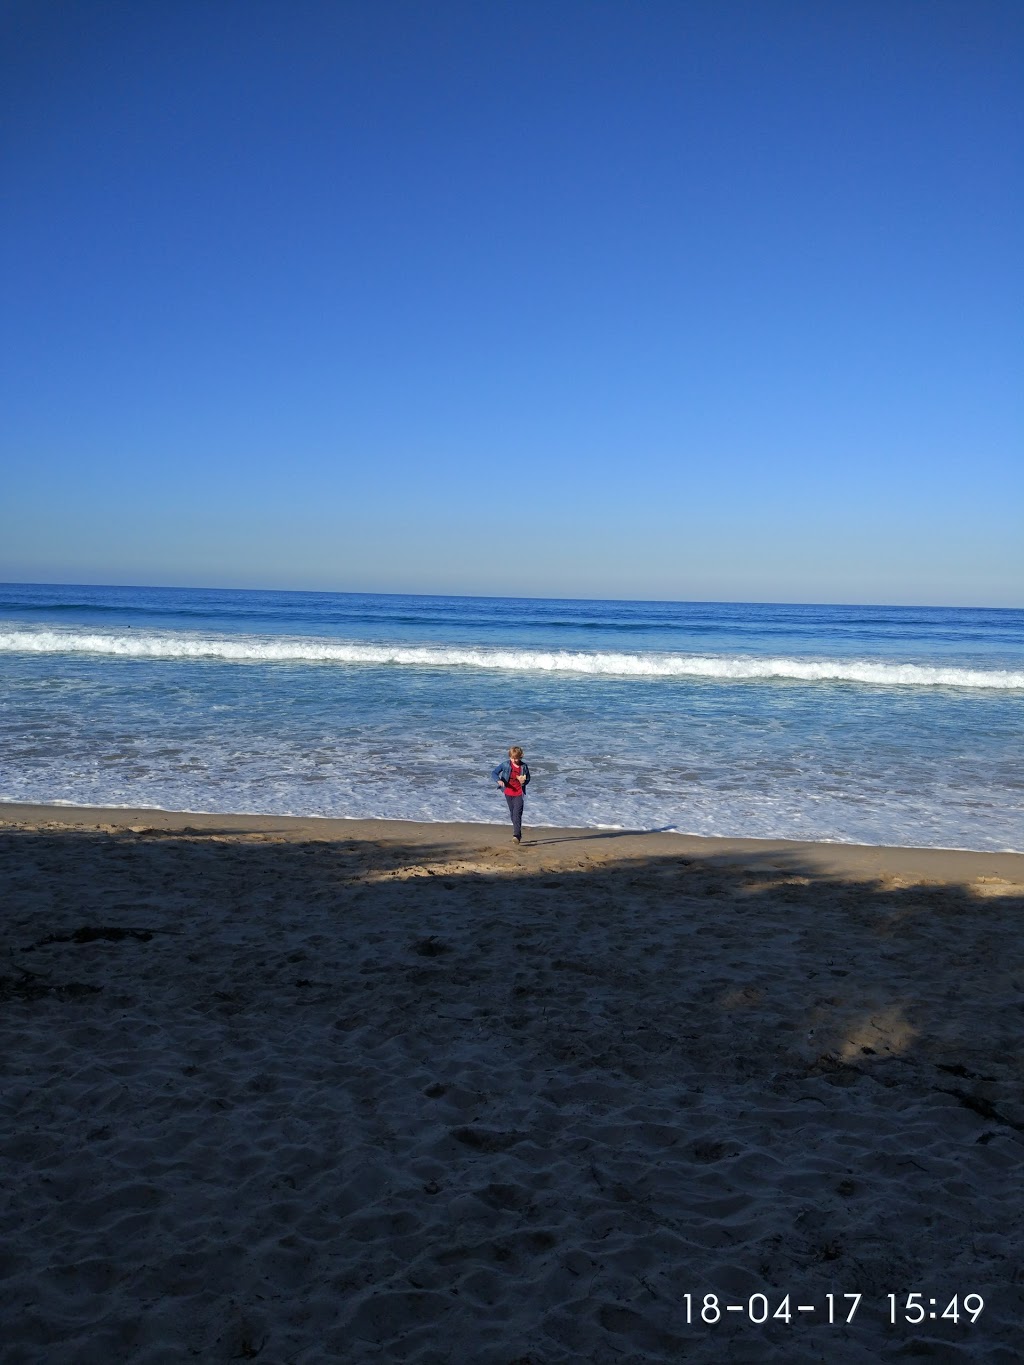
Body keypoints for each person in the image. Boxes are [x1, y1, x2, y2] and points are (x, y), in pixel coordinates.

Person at [492, 745, 531, 844]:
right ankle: (518, 832)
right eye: (512, 758)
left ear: (520, 757)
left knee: (517, 813)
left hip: (519, 792)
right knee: (512, 814)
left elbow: (528, 778)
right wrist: (499, 781)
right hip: (508, 792)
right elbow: (494, 773)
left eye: (516, 758)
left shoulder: (524, 766)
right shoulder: (505, 764)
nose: (514, 760)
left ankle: (516, 835)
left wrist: (524, 782)